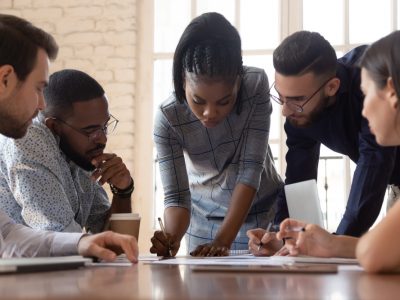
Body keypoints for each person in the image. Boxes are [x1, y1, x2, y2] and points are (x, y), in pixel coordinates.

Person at [249, 31, 400, 273]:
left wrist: (334, 246)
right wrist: (287, 236)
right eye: (281, 97)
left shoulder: (371, 73)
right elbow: (299, 178)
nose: (285, 111)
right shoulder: (297, 111)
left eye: (296, 100)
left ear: (332, 87)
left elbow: (374, 163)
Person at [0, 13, 138, 262]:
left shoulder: (79, 156)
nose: (42, 105)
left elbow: (7, 236)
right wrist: (82, 243)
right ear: (5, 79)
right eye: (39, 88)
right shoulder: (31, 135)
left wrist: (123, 192)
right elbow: (52, 233)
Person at [150, 12, 283, 257]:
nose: (210, 113)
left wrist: (224, 239)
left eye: (225, 101)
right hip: (203, 222)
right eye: (198, 101)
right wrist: (172, 238)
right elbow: (176, 196)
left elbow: (250, 170)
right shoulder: (167, 118)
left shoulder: (255, 85)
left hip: (264, 214)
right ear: (182, 80)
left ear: (238, 82)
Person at [0, 69, 133, 233]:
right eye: (90, 131)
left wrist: (123, 190)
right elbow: (62, 240)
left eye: (104, 126)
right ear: (54, 127)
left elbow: (115, 241)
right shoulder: (28, 139)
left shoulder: (81, 154)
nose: (103, 139)